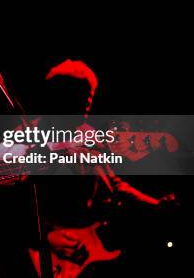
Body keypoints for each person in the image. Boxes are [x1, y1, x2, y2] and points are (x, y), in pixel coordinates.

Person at [25, 59, 175, 277]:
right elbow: (13, 201)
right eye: (79, 94)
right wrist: (46, 236)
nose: (87, 102)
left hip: (92, 244)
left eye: (89, 94)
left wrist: (155, 204)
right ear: (58, 94)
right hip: (54, 249)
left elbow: (113, 183)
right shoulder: (30, 138)